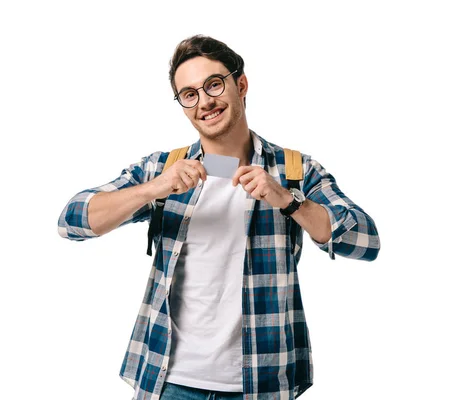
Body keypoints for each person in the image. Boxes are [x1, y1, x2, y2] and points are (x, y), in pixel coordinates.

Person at [58, 34, 380, 400]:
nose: (205, 102)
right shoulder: (163, 169)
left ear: (240, 84)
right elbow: (71, 221)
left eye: (214, 84)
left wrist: (288, 200)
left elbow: (366, 243)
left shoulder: (294, 171)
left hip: (262, 385)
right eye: (189, 94)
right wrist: (152, 189)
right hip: (169, 382)